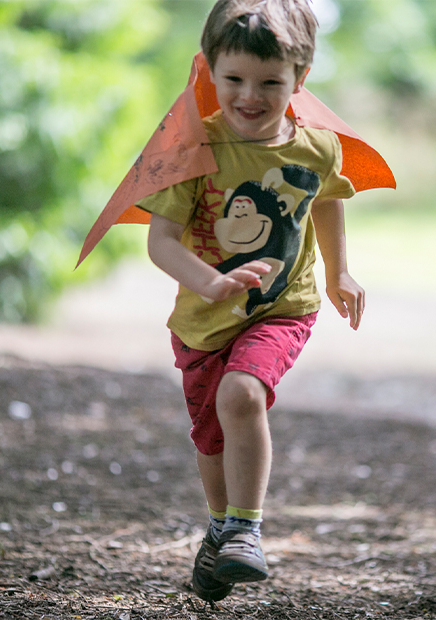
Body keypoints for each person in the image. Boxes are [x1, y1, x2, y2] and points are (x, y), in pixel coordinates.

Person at [138, 0, 366, 602]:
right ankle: (221, 532)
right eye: (234, 79)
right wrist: (208, 281)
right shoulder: (194, 149)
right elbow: (160, 241)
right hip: (203, 320)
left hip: (283, 306)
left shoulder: (317, 147)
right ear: (209, 70)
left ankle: (244, 530)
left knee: (243, 394)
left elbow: (326, 201)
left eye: (270, 82)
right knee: (211, 437)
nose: (249, 95)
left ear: (300, 78)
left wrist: (341, 273)